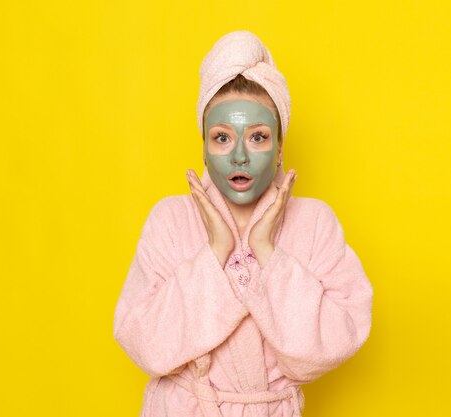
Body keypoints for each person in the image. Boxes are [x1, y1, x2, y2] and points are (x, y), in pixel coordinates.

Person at [113, 30, 373, 417]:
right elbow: (144, 344)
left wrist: (267, 252)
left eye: (257, 137)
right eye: (221, 138)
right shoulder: (169, 220)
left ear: (280, 146)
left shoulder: (315, 223)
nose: (239, 156)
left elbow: (334, 341)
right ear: (203, 145)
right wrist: (216, 252)